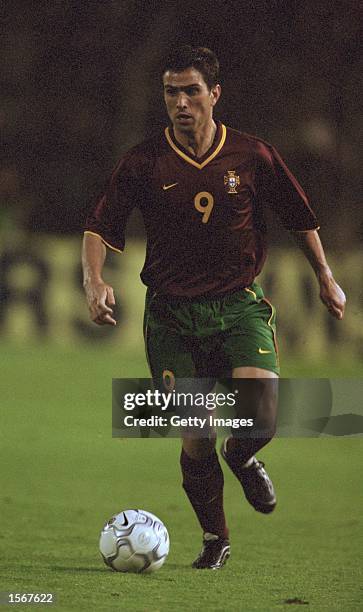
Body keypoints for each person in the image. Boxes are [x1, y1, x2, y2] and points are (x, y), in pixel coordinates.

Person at [82, 46, 346, 570]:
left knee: (262, 413)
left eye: (191, 91)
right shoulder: (144, 160)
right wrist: (93, 280)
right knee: (197, 434)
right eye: (171, 92)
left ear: (214, 95)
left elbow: (300, 215)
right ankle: (214, 539)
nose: (180, 102)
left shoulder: (252, 156)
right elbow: (99, 226)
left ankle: (243, 455)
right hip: (172, 318)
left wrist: (325, 275)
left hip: (238, 306)